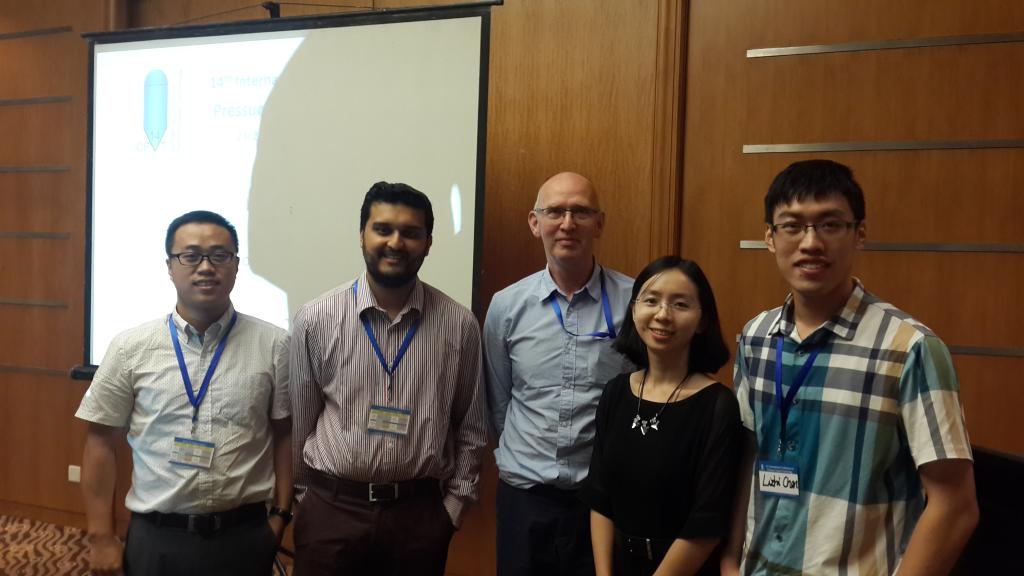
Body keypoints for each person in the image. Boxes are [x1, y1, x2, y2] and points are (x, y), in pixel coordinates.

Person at [722, 159, 978, 575]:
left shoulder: (911, 348)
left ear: (859, 233)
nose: (811, 242)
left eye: (830, 224)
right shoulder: (756, 337)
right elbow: (750, 457)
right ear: (769, 237)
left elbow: (955, 506)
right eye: (792, 226)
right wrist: (731, 560)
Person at [77, 210, 292, 576]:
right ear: (170, 266)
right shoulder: (130, 347)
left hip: (245, 535)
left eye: (219, 255)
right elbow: (100, 440)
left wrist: (280, 517)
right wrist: (101, 537)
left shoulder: (274, 345)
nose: (206, 267)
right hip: (157, 536)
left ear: (236, 265)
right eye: (190, 256)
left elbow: (284, 435)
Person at [289, 181, 487, 575]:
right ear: (361, 234)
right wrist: (305, 501)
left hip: (418, 517)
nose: (396, 243)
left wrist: (451, 509)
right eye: (383, 229)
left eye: (411, 233)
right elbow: (299, 423)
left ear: (428, 243)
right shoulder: (316, 319)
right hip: (332, 511)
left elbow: (473, 426)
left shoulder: (459, 325)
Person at [484, 171, 635, 575]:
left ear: (599, 223)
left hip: (602, 501)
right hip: (525, 499)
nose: (567, 223)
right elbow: (499, 401)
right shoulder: (506, 306)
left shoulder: (635, 302)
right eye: (555, 212)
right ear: (535, 223)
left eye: (580, 212)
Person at [582, 256, 741, 576]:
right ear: (634, 310)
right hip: (618, 565)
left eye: (680, 304)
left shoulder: (718, 405)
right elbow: (599, 496)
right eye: (651, 301)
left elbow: (707, 521)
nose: (663, 314)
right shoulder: (616, 392)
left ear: (703, 320)